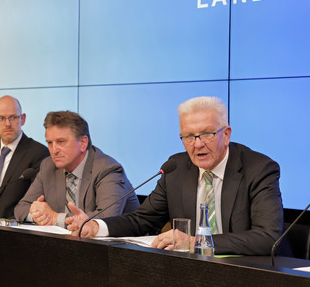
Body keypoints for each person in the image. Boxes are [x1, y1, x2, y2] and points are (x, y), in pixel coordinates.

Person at [66, 96, 284, 256]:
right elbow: (142, 219)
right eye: (188, 136)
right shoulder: (176, 167)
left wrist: (195, 242)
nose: (197, 144)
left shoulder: (259, 169)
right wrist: (96, 226)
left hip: (252, 271)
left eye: (207, 134)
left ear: (225, 135)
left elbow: (267, 237)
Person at [14, 111, 139, 227]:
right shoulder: (48, 166)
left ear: (83, 143)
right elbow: (21, 208)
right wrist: (38, 216)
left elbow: (106, 218)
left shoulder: (107, 169)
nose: (54, 150)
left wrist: (56, 218)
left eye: (61, 141)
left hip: (115, 246)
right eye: (50, 143)